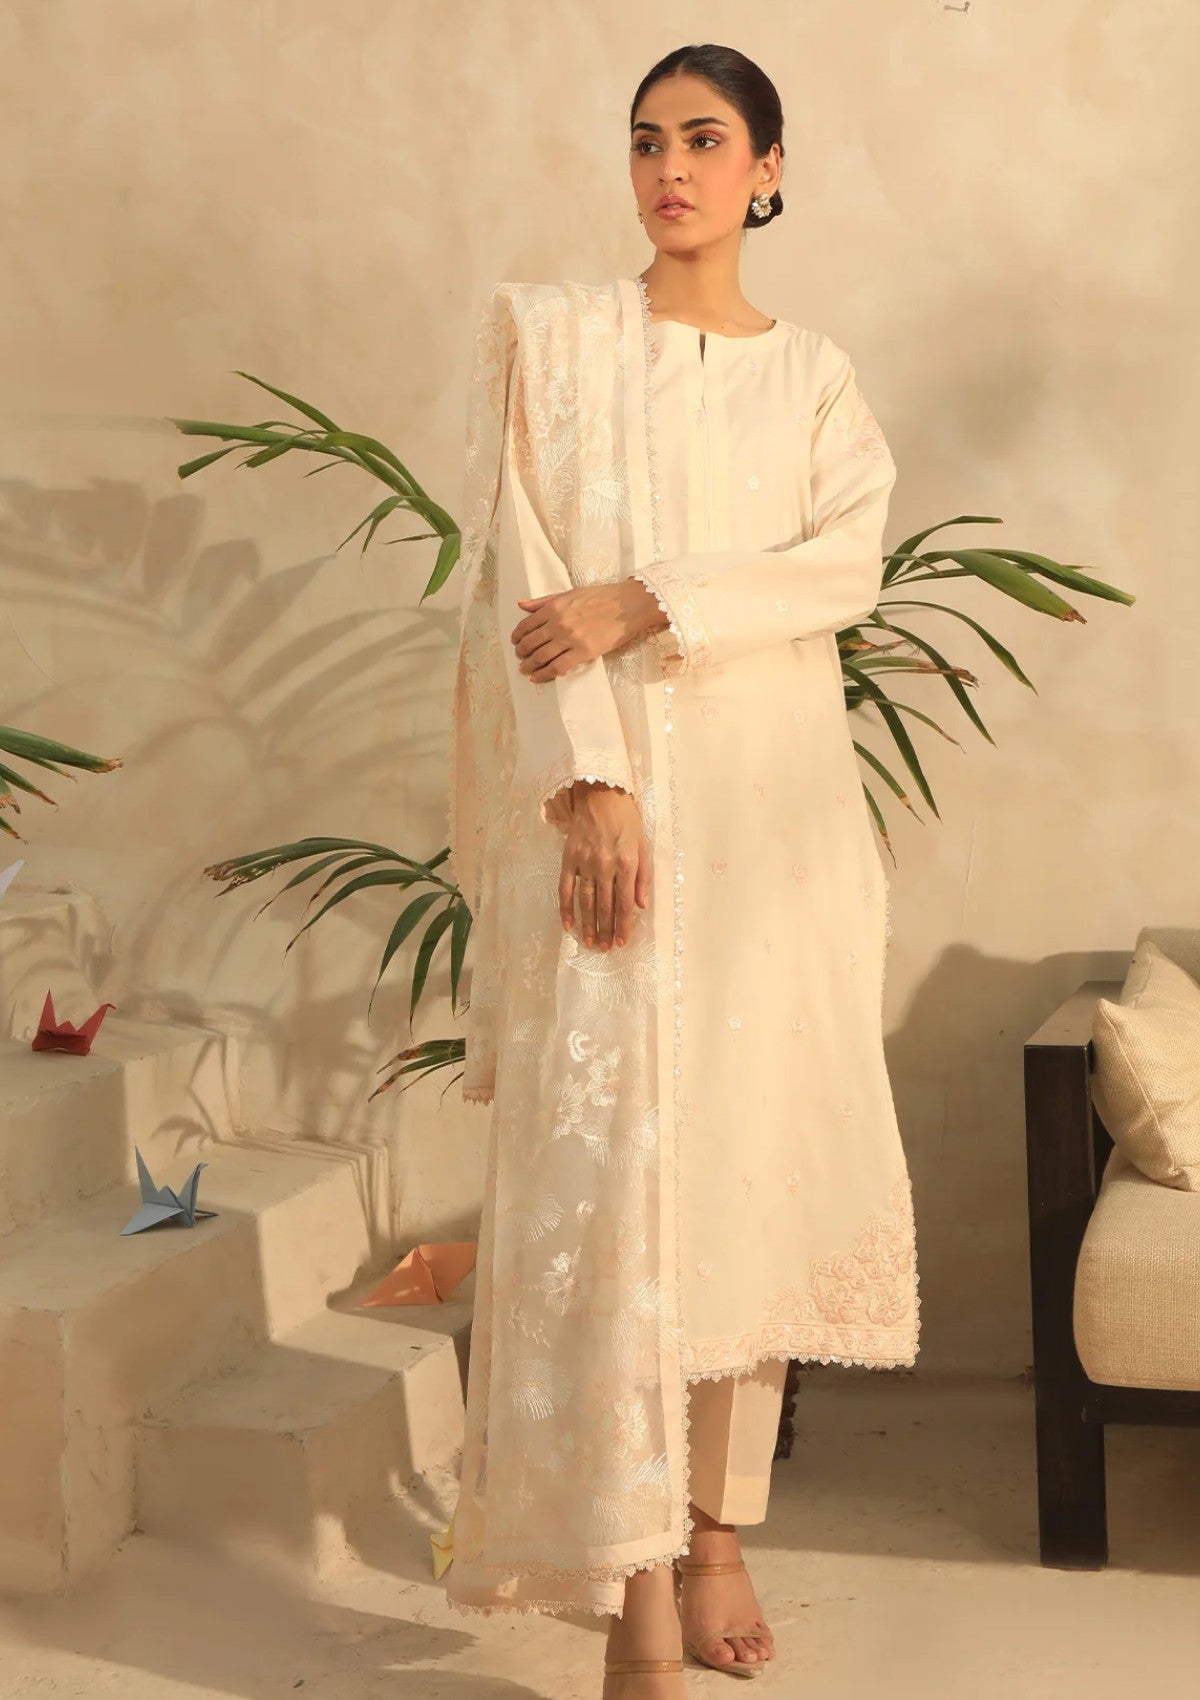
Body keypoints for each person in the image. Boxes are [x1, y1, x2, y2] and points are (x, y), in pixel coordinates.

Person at [445, 42, 920, 1699]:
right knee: (622, 1185)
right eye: (647, 141)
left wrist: (650, 596)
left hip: (778, 828)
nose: (672, 170)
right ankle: (635, 1582)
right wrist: (588, 786)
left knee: (745, 1176)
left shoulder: (815, 379)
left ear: (768, 169)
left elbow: (844, 568)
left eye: (707, 141)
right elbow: (522, 572)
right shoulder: (557, 344)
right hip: (618, 821)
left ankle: (717, 1532)